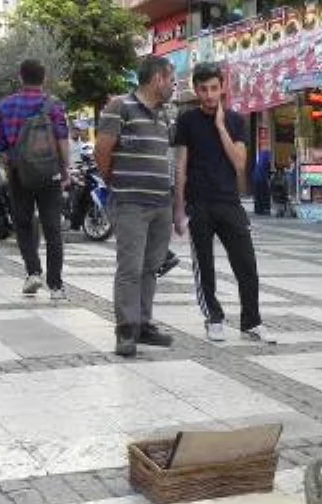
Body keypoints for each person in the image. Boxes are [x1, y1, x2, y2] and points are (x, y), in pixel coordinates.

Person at [173, 63, 273, 344]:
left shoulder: (235, 121)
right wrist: (178, 208)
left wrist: (219, 126)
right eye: (203, 89)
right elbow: (180, 165)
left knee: (246, 264)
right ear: (196, 89)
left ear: (222, 87)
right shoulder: (186, 121)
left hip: (229, 201)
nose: (208, 94)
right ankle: (213, 317)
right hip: (198, 202)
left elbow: (240, 164)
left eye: (214, 88)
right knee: (203, 264)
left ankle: (251, 321)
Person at [95, 55, 177, 357]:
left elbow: (166, 155)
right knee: (130, 268)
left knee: (150, 268)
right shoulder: (120, 106)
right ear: (157, 79)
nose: (172, 86)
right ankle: (126, 331)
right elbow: (102, 151)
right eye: (171, 80)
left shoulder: (166, 113)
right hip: (130, 203)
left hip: (160, 204)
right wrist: (116, 183)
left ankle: (143, 324)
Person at [0, 58, 68, 300]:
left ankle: (33, 272)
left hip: (19, 173)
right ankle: (55, 286)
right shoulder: (53, 105)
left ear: (20, 77)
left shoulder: (5, 106)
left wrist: (12, 162)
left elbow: (1, 145)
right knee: (53, 228)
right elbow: (63, 139)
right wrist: (65, 169)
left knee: (24, 223)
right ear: (43, 78)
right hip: (49, 173)